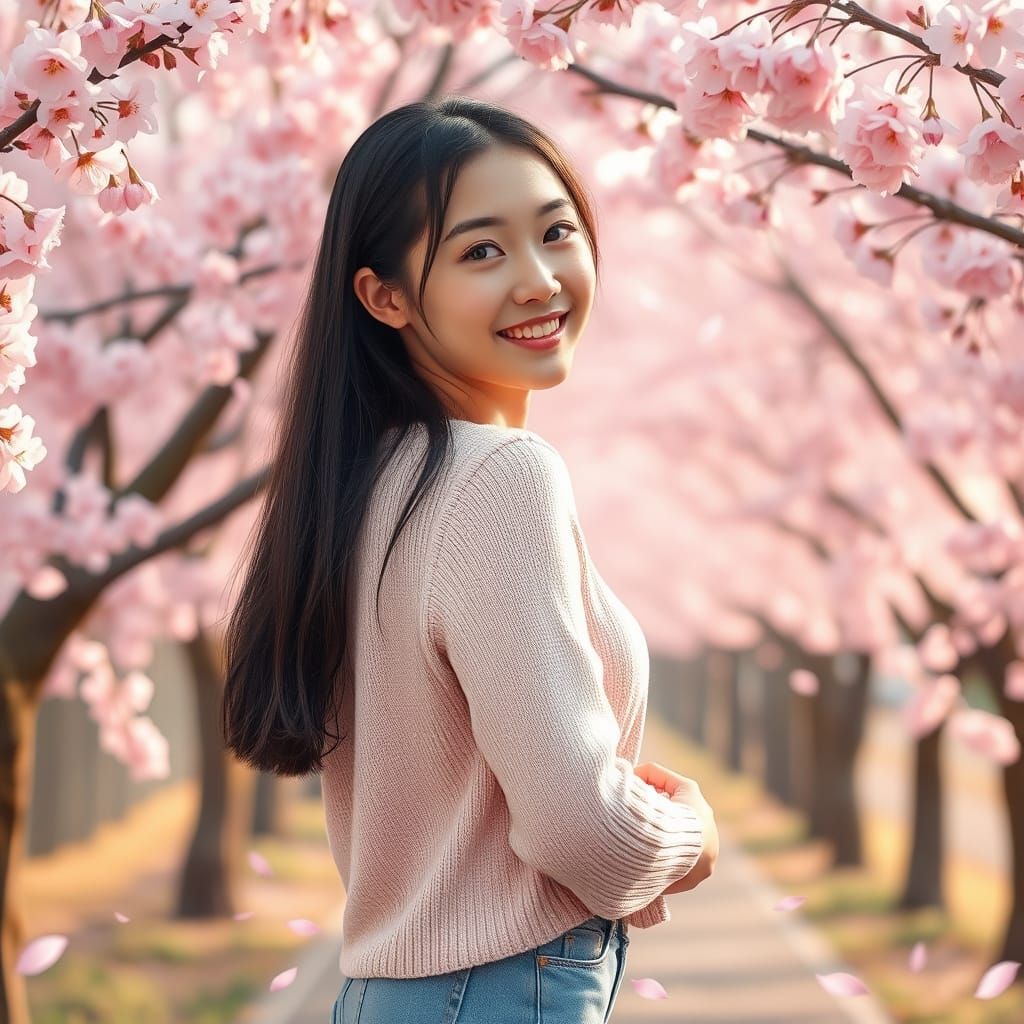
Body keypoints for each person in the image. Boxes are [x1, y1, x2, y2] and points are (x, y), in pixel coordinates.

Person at [220, 93, 718, 1024]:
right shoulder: (500, 477)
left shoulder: (369, 483)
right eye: (481, 250)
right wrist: (692, 835)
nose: (538, 280)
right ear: (385, 295)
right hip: (495, 993)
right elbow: (586, 833)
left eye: (556, 231)